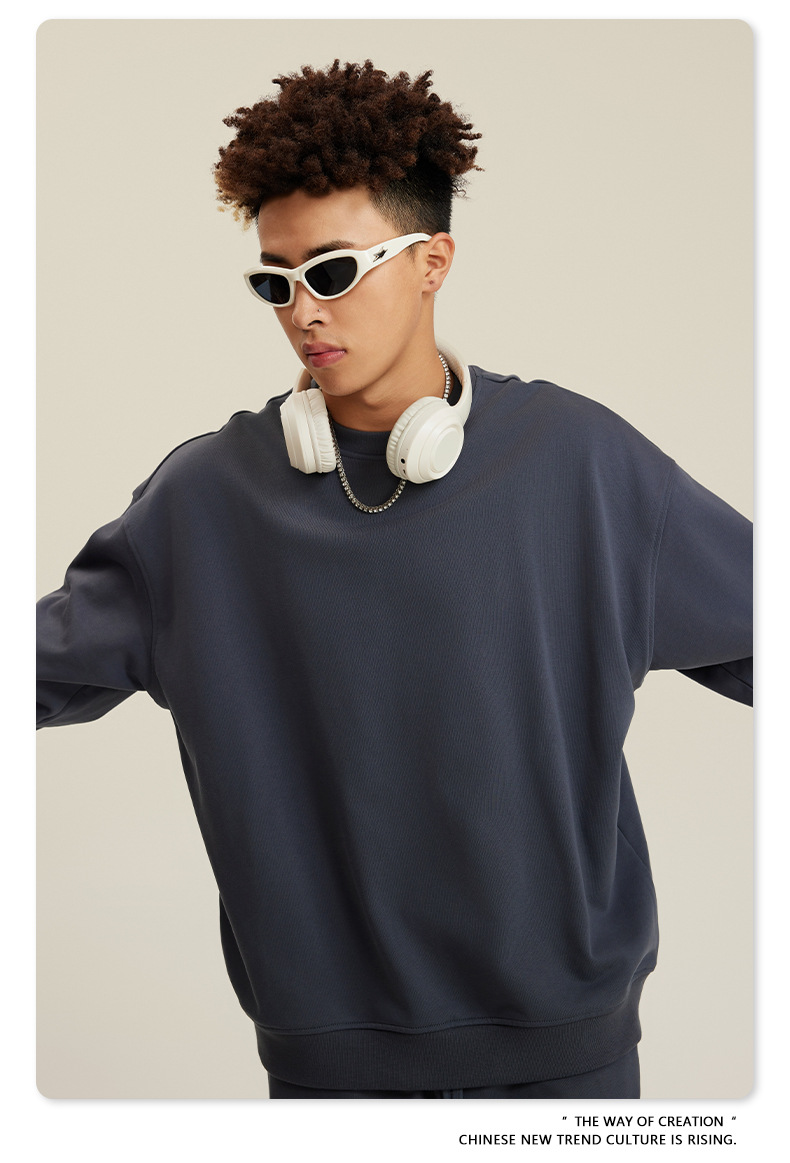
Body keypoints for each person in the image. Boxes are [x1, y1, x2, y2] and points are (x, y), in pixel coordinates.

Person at [36, 59, 752, 1100]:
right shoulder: (200, 505)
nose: (302, 312)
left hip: (572, 1070)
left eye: (332, 272)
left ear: (432, 262)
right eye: (275, 281)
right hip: (332, 1082)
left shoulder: (580, 463)